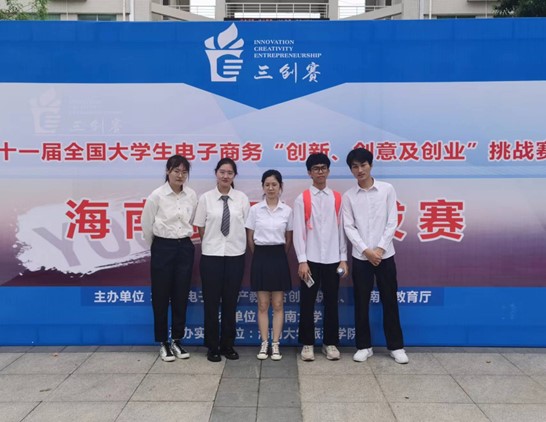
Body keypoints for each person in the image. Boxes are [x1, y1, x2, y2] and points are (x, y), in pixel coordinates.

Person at [342, 148, 409, 364]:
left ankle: (396, 347)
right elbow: (349, 227)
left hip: (385, 255)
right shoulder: (348, 196)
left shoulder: (387, 189)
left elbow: (393, 221)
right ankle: (364, 346)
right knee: (361, 302)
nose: (359, 170)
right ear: (351, 170)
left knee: (390, 300)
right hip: (361, 258)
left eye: (363, 165)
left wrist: (379, 249)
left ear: (370, 165)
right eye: (355, 166)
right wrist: (366, 250)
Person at [193, 157, 250, 362]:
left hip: (235, 256)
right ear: (216, 173)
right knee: (211, 303)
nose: (226, 176)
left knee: (230, 302)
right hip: (211, 257)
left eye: (230, 173)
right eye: (222, 172)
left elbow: (247, 227)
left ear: (234, 176)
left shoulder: (241, 198)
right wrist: (212, 243)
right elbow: (201, 227)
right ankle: (212, 346)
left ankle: (227, 345)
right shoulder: (206, 199)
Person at [141, 155, 197, 362]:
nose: (180, 175)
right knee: (161, 296)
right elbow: (147, 226)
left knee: (181, 295)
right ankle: (163, 342)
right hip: (163, 247)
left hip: (185, 247)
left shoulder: (191, 195)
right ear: (167, 171)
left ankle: (177, 340)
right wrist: (158, 247)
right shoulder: (157, 196)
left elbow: (191, 220)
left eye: (184, 172)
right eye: (176, 171)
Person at [293, 153, 348, 362]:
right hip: (311, 260)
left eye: (323, 168)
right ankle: (307, 344)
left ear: (328, 171)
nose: (320, 172)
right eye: (316, 169)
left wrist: (343, 258)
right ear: (309, 172)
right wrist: (302, 260)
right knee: (307, 302)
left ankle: (330, 343)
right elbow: (299, 232)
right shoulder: (303, 199)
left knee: (332, 302)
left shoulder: (337, 198)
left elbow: (341, 230)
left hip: (333, 259)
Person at [245, 169, 293, 361]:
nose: (271, 188)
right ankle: (264, 343)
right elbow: (250, 238)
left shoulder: (287, 210)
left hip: (279, 256)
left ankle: (276, 343)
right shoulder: (255, 210)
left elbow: (288, 239)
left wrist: (278, 255)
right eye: (267, 185)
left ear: (280, 186)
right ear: (263, 187)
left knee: (278, 304)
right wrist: (260, 255)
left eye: (274, 184)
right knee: (263, 304)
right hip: (261, 257)